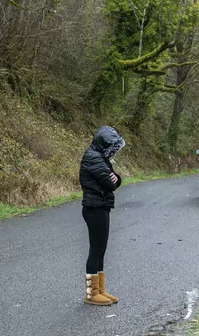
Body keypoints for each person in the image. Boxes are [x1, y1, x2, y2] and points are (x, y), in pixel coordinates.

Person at [79, 126, 125, 306]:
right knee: (96, 250)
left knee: (101, 249)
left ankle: (99, 290)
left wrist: (115, 178)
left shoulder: (99, 157)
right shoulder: (94, 159)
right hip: (94, 207)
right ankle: (91, 294)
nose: (113, 151)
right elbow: (110, 182)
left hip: (101, 206)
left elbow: (115, 179)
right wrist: (113, 179)